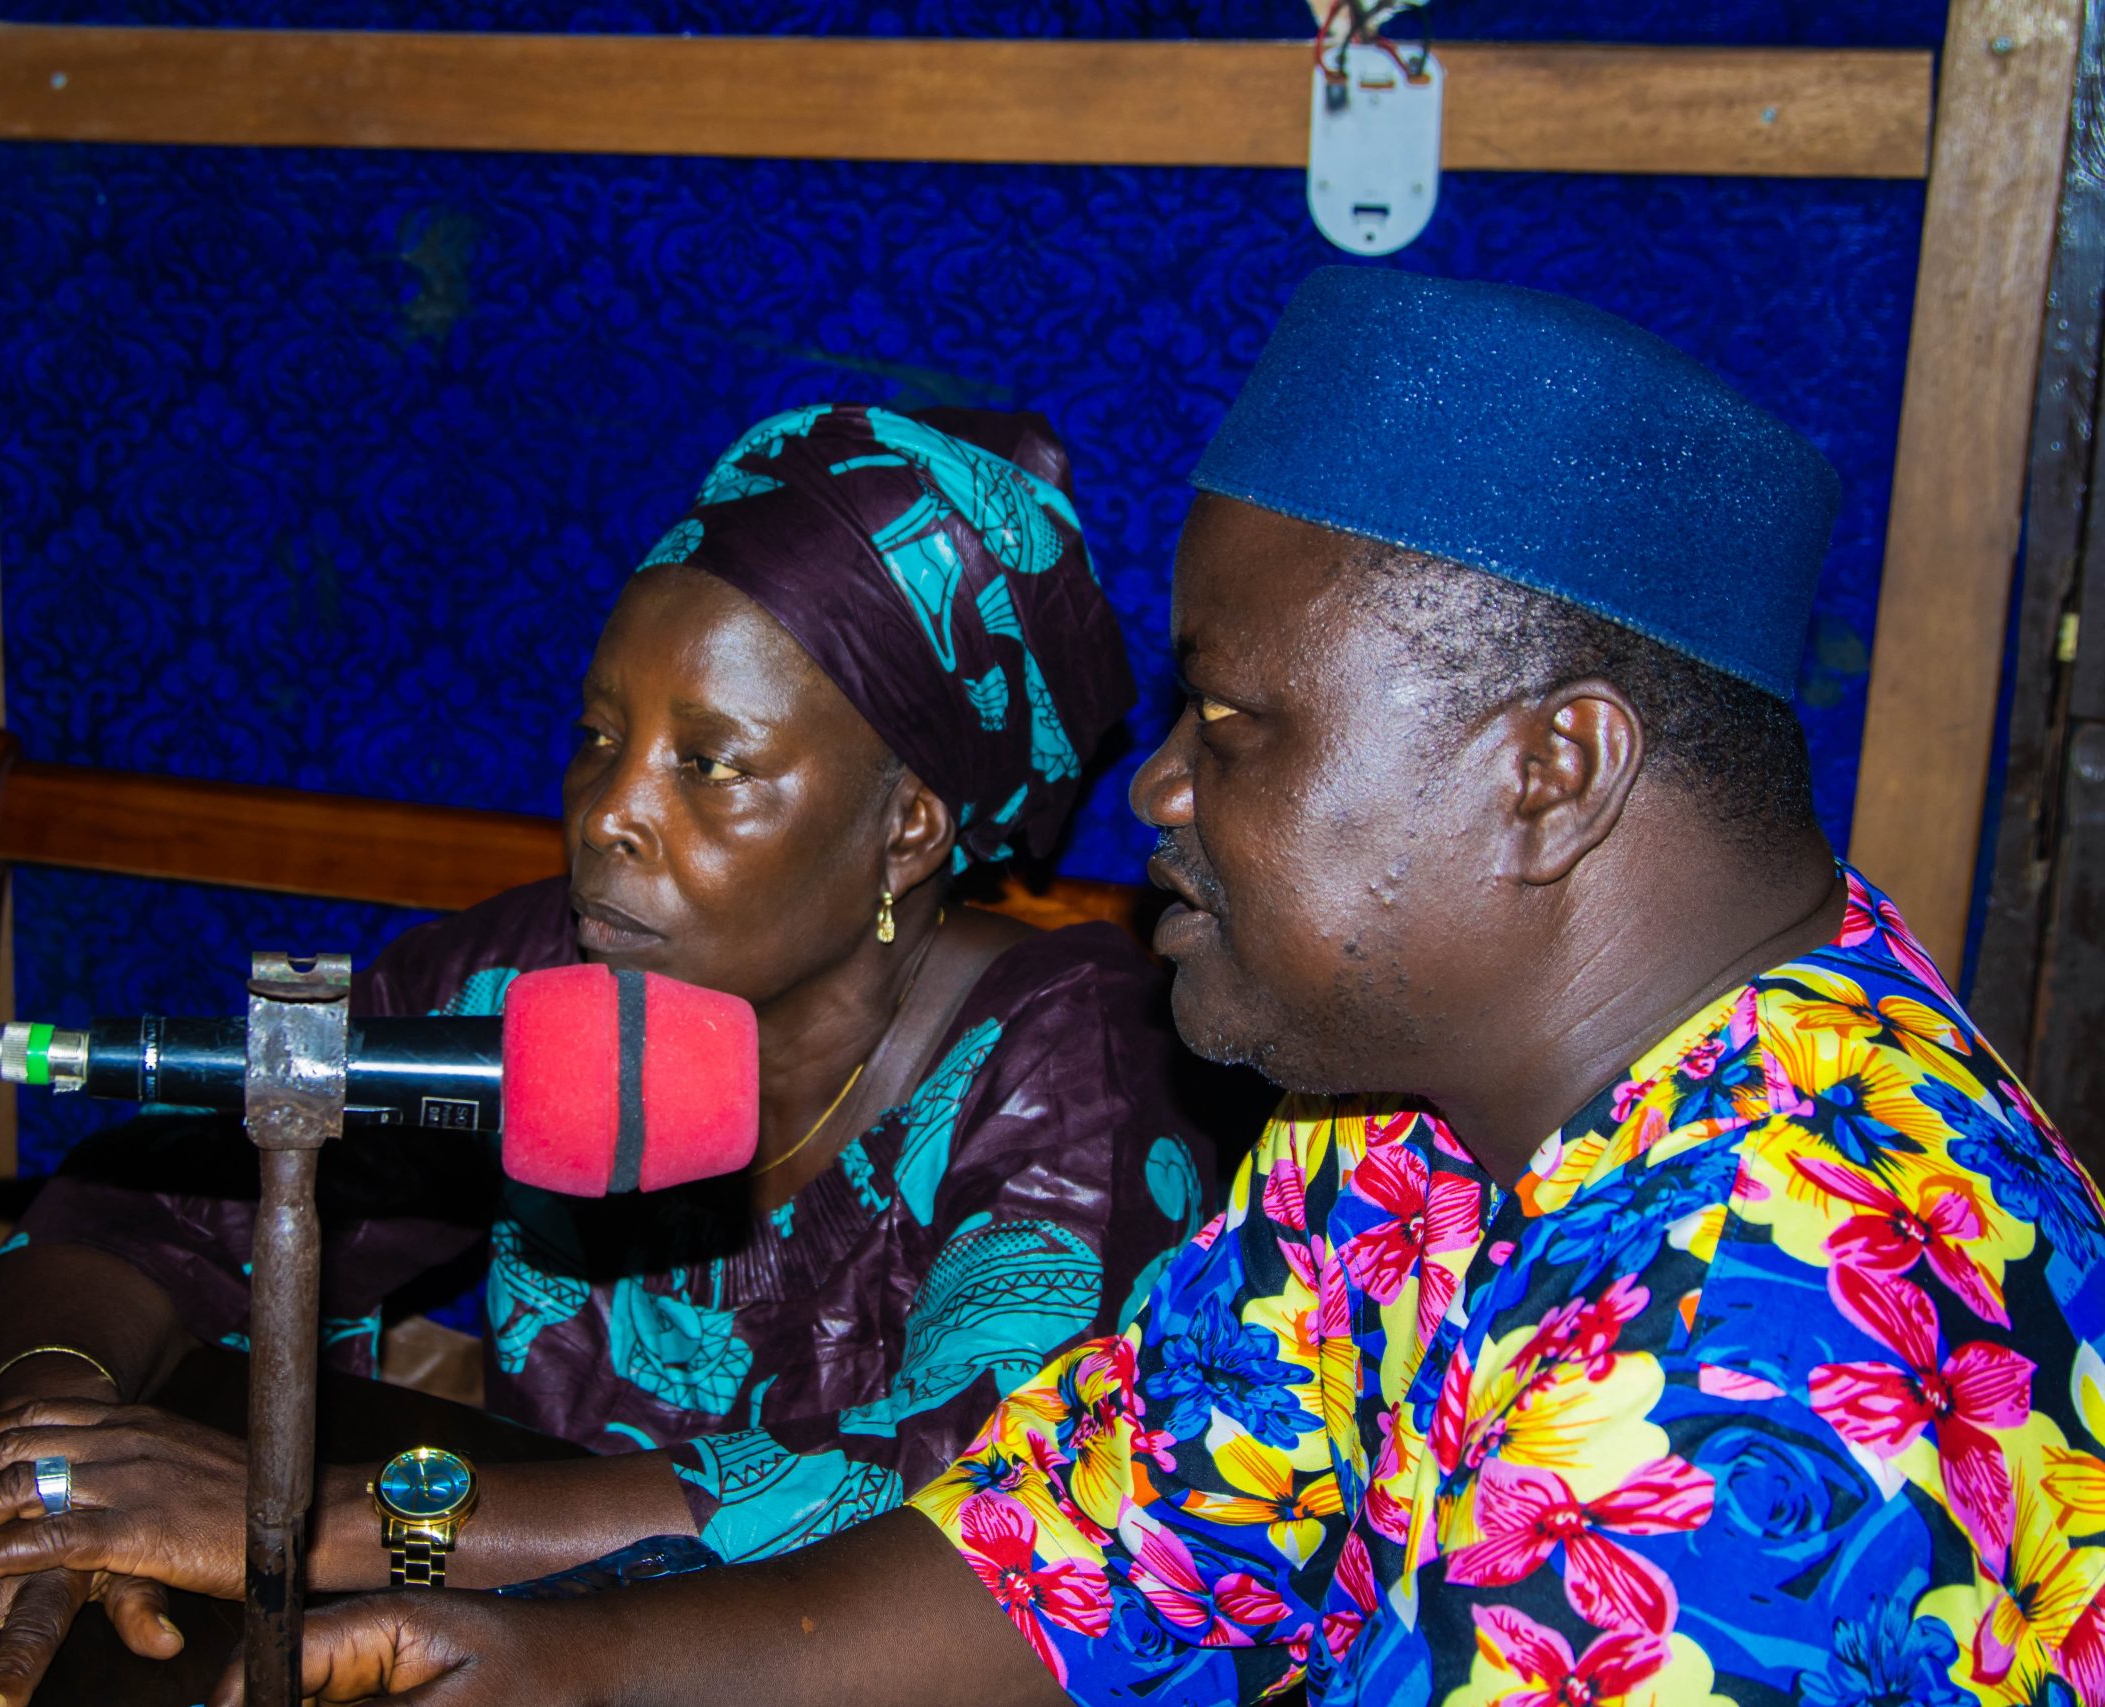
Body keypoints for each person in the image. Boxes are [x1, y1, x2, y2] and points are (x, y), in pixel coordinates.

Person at [188, 269, 2105, 1707]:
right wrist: (566, 1673)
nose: (1159, 791)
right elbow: (1104, 1535)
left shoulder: (1771, 1374)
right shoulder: (1413, 1124)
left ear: (1552, 772)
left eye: (1239, 725)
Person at [0, 404, 1222, 1706]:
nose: (609, 814)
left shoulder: (1079, 1059)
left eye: (708, 763)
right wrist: (55, 1465)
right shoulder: (539, 974)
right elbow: (150, 1216)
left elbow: (979, 1494)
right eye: (600, 735)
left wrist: (299, 1518)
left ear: (905, 828)